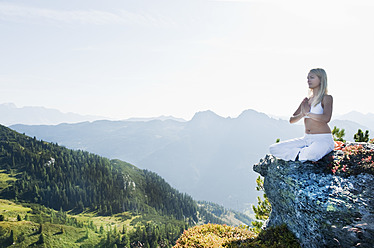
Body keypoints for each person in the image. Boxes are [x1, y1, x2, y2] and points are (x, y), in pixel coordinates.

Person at [269, 68, 335, 162]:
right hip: (306, 139)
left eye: (312, 77)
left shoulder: (326, 98)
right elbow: (292, 120)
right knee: (274, 148)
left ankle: (299, 154)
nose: (308, 80)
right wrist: (302, 114)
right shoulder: (307, 100)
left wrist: (308, 114)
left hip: (322, 139)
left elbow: (326, 118)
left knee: (312, 154)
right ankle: (301, 154)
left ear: (321, 80)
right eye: (307, 78)